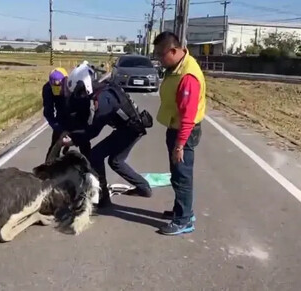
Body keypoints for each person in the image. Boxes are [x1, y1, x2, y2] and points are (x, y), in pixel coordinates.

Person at [63, 62, 154, 208]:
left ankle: (103, 198)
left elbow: (94, 130)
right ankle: (144, 188)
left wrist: (73, 139)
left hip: (129, 130)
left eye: (80, 91)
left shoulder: (104, 99)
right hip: (133, 128)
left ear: (86, 85)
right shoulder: (106, 89)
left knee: (95, 155)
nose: (80, 95)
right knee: (116, 161)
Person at [152, 31, 206, 236]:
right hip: (175, 128)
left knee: (182, 177)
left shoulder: (188, 76)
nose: (158, 58)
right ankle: (182, 211)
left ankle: (184, 220)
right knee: (177, 174)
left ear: (173, 51)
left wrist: (180, 144)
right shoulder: (177, 67)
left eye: (160, 54)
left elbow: (188, 116)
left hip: (184, 132)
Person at [42, 67, 70, 160]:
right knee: (56, 144)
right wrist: (57, 127)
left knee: (84, 142)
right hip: (60, 113)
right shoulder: (47, 89)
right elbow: (48, 112)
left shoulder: (72, 86)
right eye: (54, 86)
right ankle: (48, 168)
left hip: (74, 111)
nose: (57, 89)